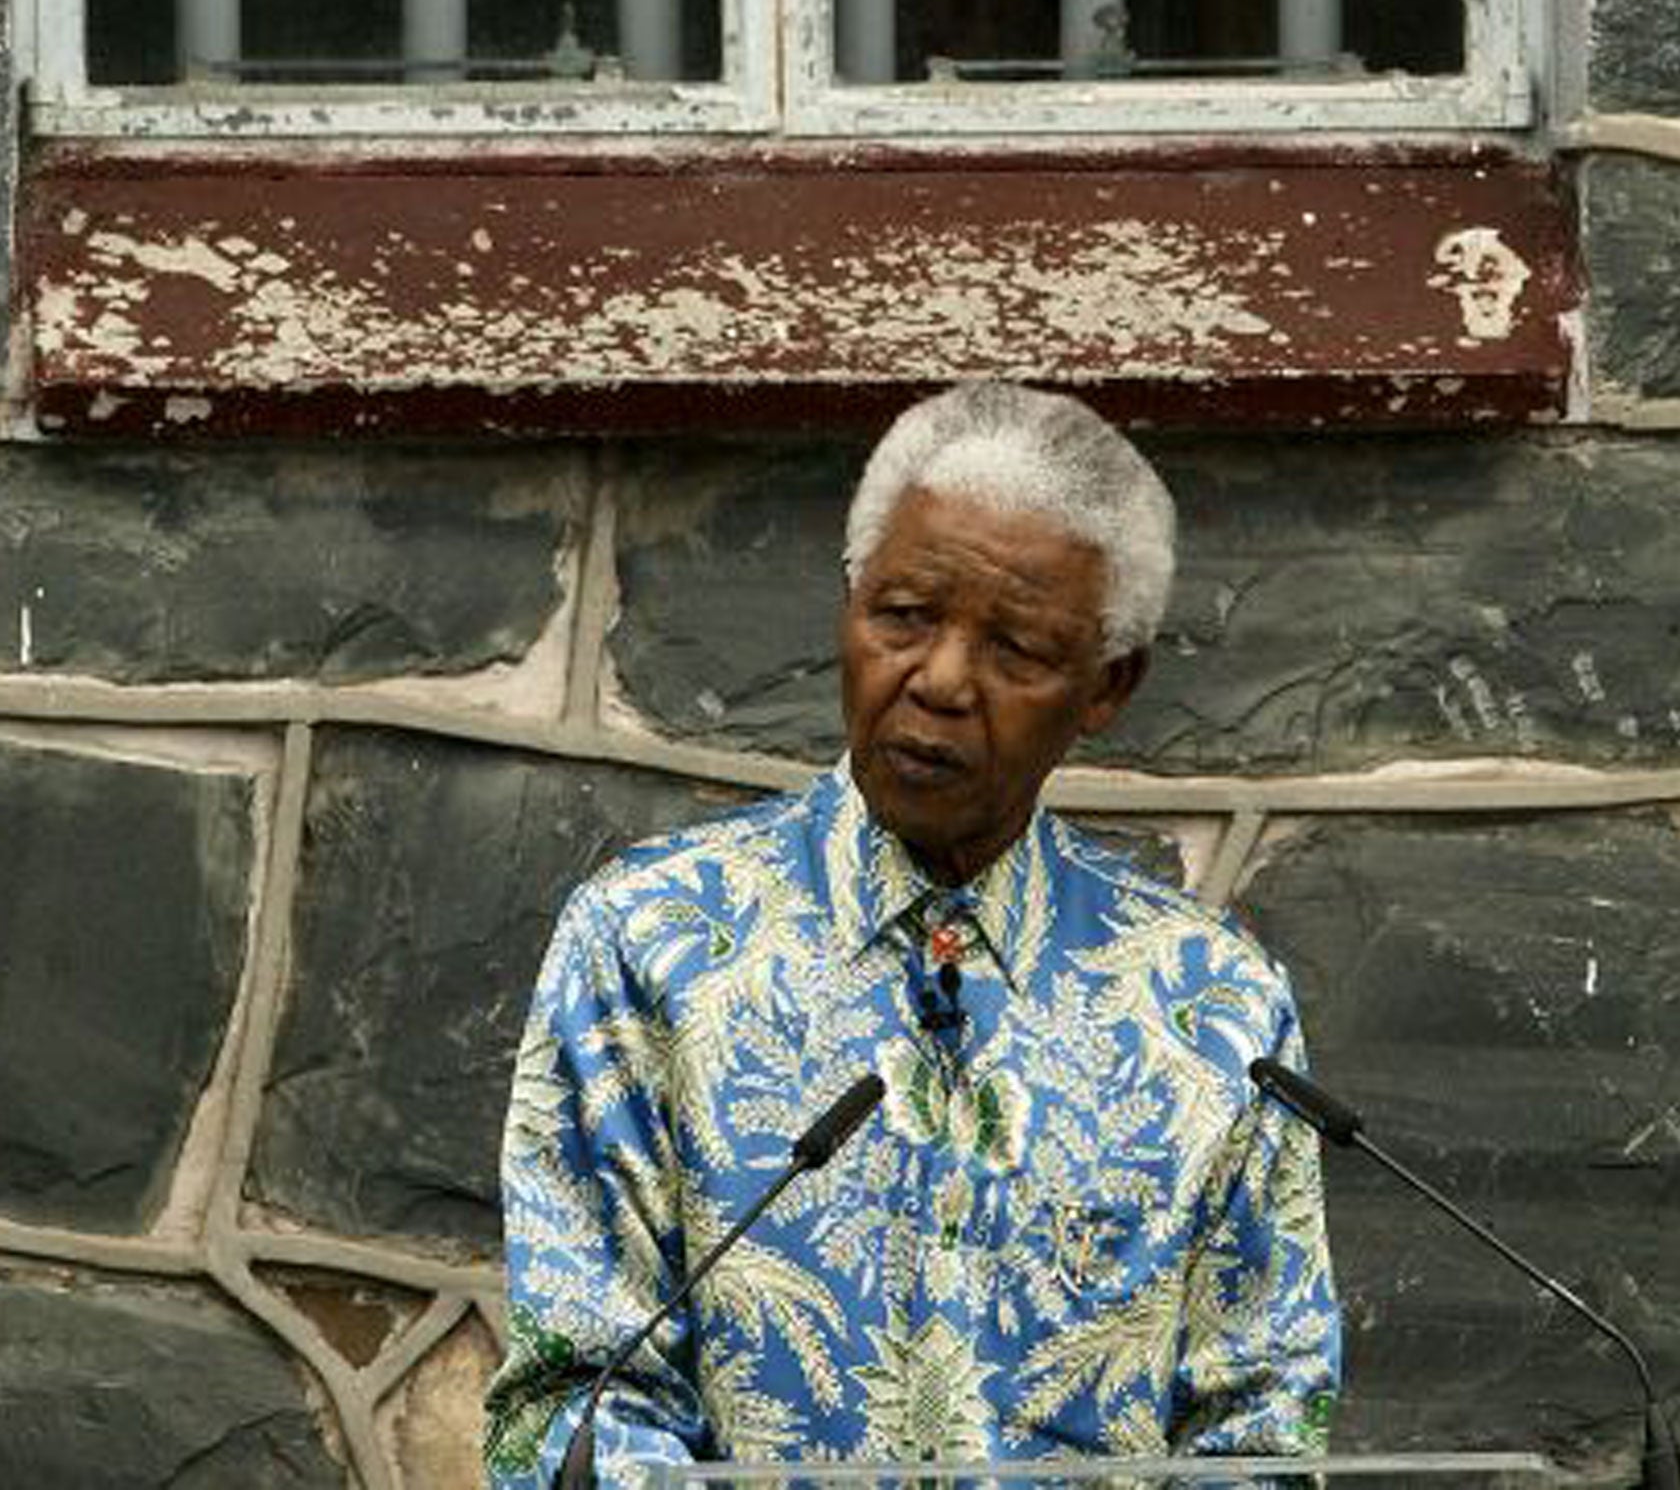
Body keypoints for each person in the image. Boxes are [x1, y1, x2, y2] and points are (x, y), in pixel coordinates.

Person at [483, 383, 1341, 1485]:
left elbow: (1262, 1428)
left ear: (1106, 687)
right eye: (903, 616)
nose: (938, 681)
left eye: (1016, 649)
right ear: (848, 602)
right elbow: (576, 1398)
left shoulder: (1211, 1006)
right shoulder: (650, 942)